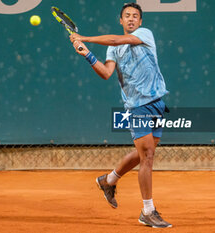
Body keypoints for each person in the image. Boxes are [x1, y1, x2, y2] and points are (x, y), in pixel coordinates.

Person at [70, 3, 171, 228]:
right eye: (127, 16)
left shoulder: (144, 35)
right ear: (121, 20)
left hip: (157, 103)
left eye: (135, 16)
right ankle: (148, 211)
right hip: (137, 107)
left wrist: (84, 38)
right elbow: (106, 73)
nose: (132, 19)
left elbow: (117, 40)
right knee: (147, 157)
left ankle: (108, 180)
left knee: (144, 153)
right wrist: (86, 53)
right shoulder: (113, 50)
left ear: (140, 22)